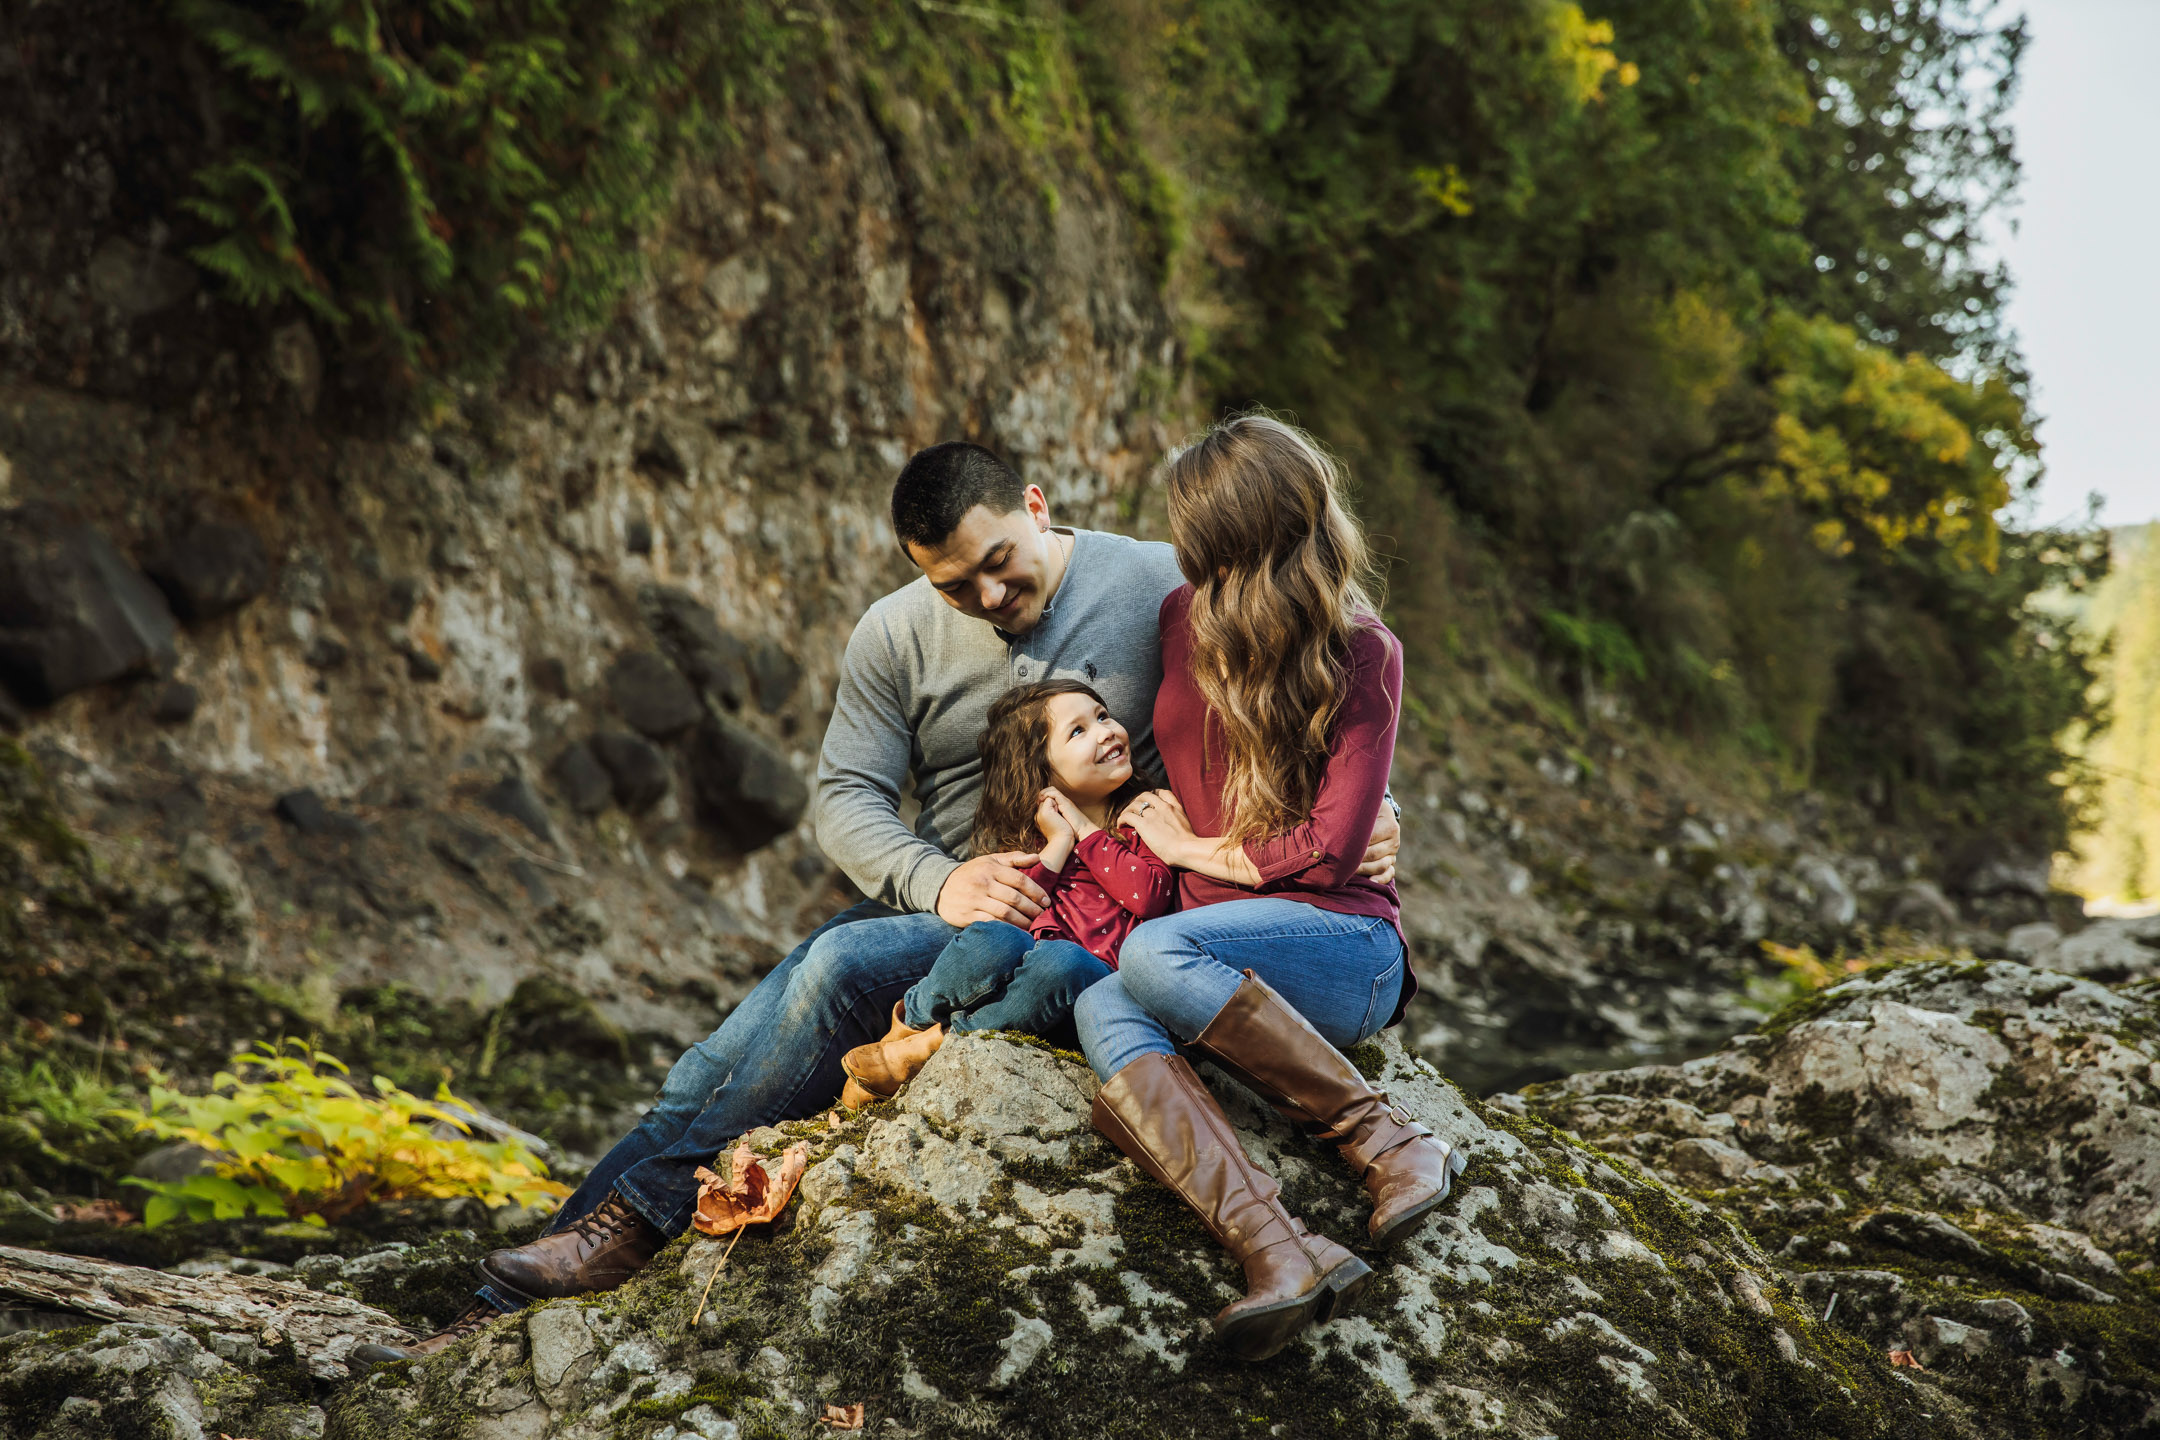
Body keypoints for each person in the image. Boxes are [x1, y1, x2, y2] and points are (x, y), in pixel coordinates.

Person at [356, 441, 1404, 1363]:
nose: (988, 599)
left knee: (826, 974)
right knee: (747, 1038)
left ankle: (617, 1227)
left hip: (1111, 908)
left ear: (1036, 507)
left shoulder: (1157, 586)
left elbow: (1290, 682)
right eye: (957, 586)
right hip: (965, 907)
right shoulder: (893, 635)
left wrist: (1353, 819)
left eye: (1001, 566)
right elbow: (844, 799)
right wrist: (938, 879)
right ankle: (525, 1289)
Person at [1072, 414, 1465, 1363]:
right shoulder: (1178, 620)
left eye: (1197, 528)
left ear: (1240, 533)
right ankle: (1280, 1255)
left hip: (1343, 948)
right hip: (1216, 948)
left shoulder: (1364, 649)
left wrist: (1198, 850)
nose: (1185, 549)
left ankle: (1389, 1144)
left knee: (1154, 953)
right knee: (1102, 1001)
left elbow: (1331, 856)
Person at [840, 679, 1174, 1100]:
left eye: (1103, 715)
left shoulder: (1142, 816)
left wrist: (1086, 832)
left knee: (1065, 961)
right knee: (991, 938)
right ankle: (906, 1031)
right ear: (1044, 772)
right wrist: (1057, 845)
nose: (1106, 730)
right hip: (1022, 970)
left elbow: (1149, 894)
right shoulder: (1038, 838)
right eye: (1079, 730)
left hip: (1084, 988)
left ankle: (937, 1045)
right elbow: (1013, 908)